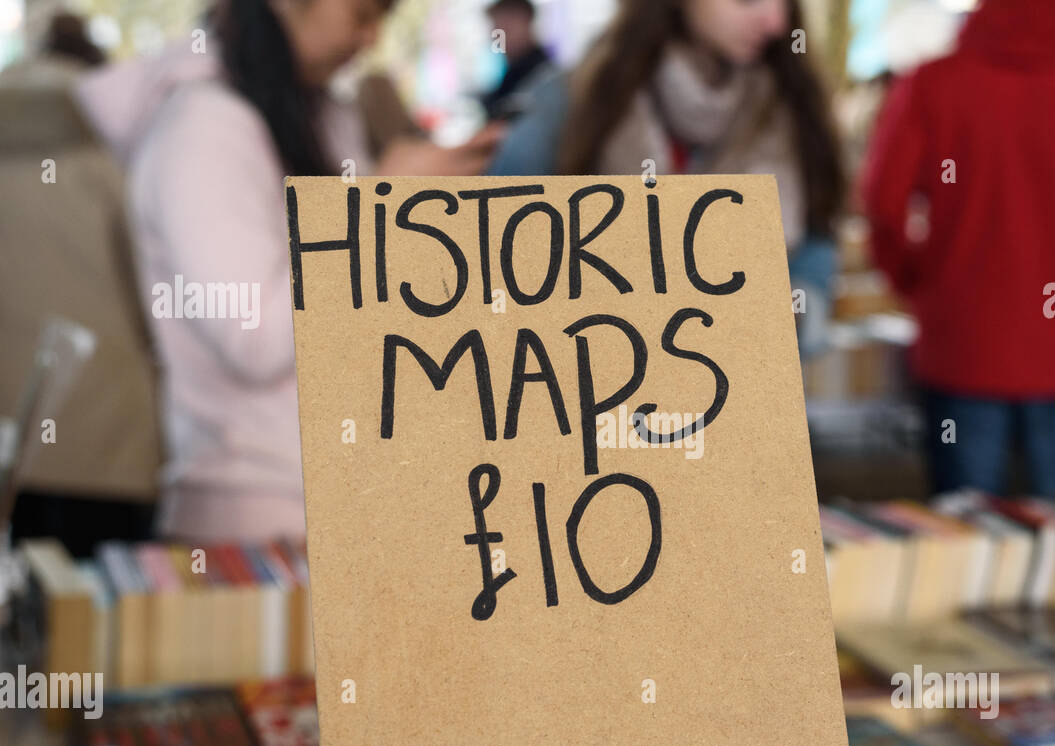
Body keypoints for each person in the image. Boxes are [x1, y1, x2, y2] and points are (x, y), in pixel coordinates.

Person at [75, 0, 500, 542]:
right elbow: (252, 334)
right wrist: (381, 208)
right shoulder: (204, 128)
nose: (370, 38)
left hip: (329, 502)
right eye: (363, 13)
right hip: (258, 515)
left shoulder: (314, 114)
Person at [861, 0, 1055, 497]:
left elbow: (883, 201)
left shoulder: (933, 84)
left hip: (962, 337)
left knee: (964, 538)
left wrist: (918, 279)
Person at [489, 0, 843, 360]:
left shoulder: (794, 110)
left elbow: (815, 247)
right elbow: (500, 256)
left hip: (739, 393)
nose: (775, 23)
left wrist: (786, 320)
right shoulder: (567, 104)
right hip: (590, 390)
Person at [481, 0, 555, 122]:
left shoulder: (541, 75)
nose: (496, 36)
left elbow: (507, 128)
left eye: (505, 28)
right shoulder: (513, 72)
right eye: (495, 28)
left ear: (526, 23)